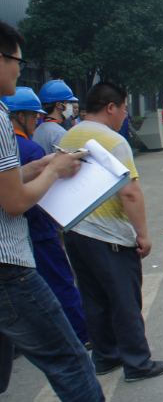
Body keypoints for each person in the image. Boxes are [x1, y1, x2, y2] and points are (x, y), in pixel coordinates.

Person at [0, 21, 121, 402]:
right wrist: (52, 170)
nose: (19, 69)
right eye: (16, 60)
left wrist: (38, 167)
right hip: (8, 267)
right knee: (71, 364)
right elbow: (13, 202)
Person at [60, 82, 163, 383]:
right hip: (108, 235)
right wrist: (142, 235)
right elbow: (130, 193)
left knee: (94, 299)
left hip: (76, 232)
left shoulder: (69, 135)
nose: (125, 115)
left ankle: (105, 357)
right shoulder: (112, 140)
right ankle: (138, 363)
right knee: (125, 301)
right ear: (111, 107)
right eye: (124, 108)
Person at [3, 87, 89, 347]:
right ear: (21, 117)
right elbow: (34, 196)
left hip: (21, 235)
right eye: (33, 116)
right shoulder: (29, 147)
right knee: (61, 283)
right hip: (37, 229)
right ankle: (82, 336)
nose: (36, 121)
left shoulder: (31, 139)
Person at [32, 79, 78, 155]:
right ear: (59, 105)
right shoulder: (60, 133)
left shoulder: (38, 129)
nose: (70, 106)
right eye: (67, 102)